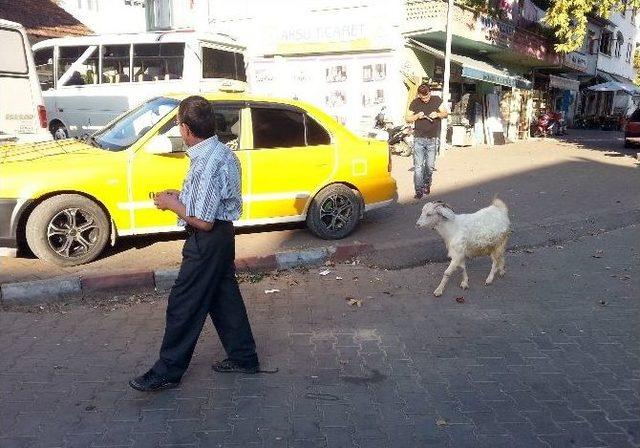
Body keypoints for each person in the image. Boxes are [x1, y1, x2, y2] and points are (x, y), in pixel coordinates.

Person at [129, 95, 260, 392]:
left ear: (186, 129)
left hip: (207, 240)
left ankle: (168, 371)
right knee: (224, 299)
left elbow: (202, 220)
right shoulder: (221, 152)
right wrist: (183, 195)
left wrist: (169, 204)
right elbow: (213, 199)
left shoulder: (204, 162)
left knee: (182, 304)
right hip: (223, 238)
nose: (179, 130)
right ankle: (244, 357)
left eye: (177, 125)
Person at [406, 83, 449, 199]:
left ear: (430, 92)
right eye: (422, 97)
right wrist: (416, 116)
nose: (425, 99)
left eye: (427, 97)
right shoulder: (415, 102)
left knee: (429, 166)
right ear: (419, 95)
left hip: (432, 139)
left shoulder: (436, 100)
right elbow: (407, 117)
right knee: (418, 167)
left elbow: (445, 113)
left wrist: (438, 114)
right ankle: (419, 190)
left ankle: (426, 184)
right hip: (418, 139)